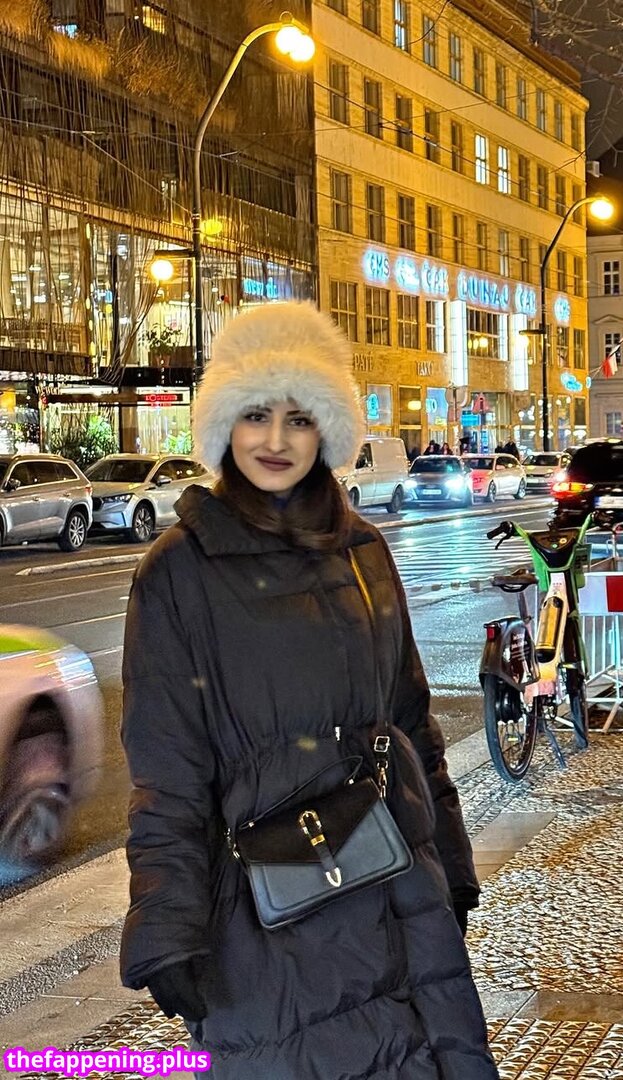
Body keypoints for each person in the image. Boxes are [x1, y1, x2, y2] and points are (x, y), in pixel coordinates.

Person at [119, 302, 499, 1080]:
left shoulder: (363, 550)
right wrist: (166, 923)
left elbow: (410, 723)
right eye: (255, 413)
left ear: (325, 428)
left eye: (298, 418)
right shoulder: (179, 572)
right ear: (224, 424)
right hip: (270, 920)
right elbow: (167, 769)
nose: (275, 440)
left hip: (400, 891)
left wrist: (452, 864)